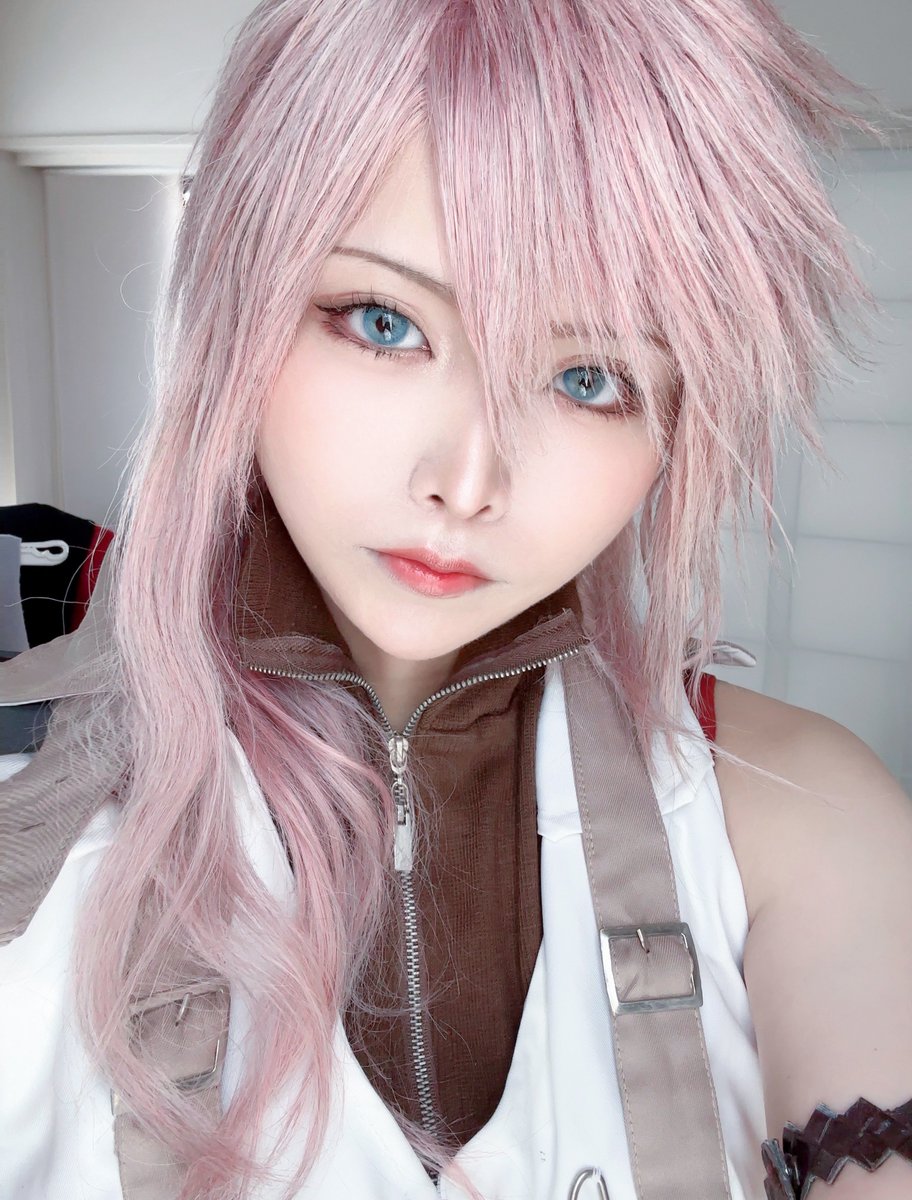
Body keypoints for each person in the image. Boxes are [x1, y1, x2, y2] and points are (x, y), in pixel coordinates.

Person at [1, 1, 910, 1198]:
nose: (468, 483)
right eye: (385, 323)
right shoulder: (24, 815)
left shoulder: (797, 809)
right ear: (239, 299)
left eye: (590, 379)